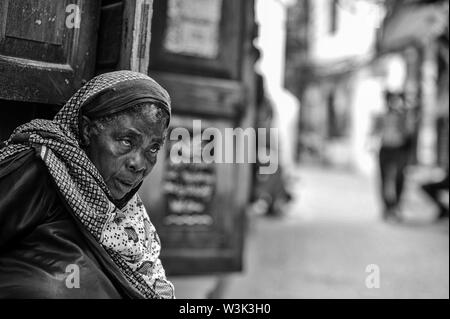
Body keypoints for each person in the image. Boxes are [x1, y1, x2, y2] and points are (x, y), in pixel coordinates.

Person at [0, 71, 175, 298]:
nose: (139, 164)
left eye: (153, 148)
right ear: (87, 129)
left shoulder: (131, 222)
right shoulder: (41, 171)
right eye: (126, 141)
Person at [373, 91, 415, 221]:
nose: (395, 103)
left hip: (399, 149)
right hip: (385, 149)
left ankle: (396, 206)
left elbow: (409, 133)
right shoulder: (381, 116)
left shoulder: (404, 117)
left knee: (399, 177)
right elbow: (374, 132)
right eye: (392, 100)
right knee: (384, 179)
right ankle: (387, 207)